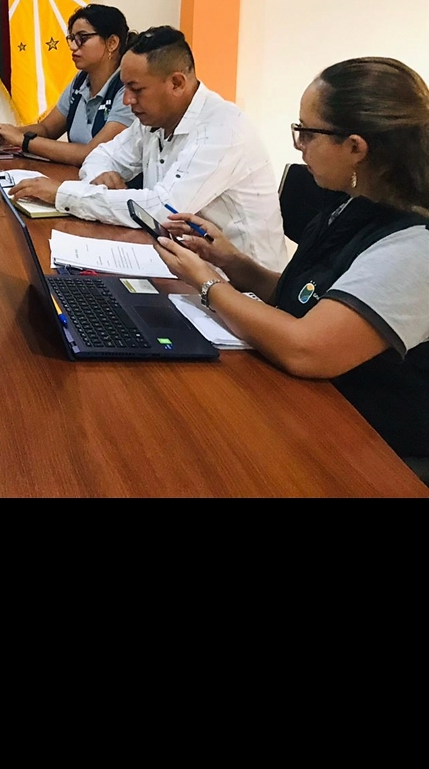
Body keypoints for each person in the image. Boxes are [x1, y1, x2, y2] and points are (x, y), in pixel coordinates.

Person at [157, 58, 429, 474]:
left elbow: (307, 348)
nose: (299, 144)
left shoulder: (413, 246)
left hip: (372, 447)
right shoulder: (352, 201)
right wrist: (232, 262)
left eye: (308, 133)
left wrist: (209, 284)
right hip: (310, 404)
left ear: (356, 147)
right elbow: (308, 297)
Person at [18, 26, 286, 267]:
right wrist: (100, 177)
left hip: (239, 288)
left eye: (136, 89)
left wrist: (64, 194)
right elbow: (100, 155)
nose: (127, 100)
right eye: (125, 88)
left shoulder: (222, 130)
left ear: (177, 83)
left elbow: (163, 210)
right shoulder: (152, 119)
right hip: (176, 261)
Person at [0, 6, 134, 171]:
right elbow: (46, 129)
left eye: (82, 38)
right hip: (80, 178)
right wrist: (7, 134)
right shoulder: (80, 80)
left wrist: (23, 140)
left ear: (112, 43)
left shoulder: (128, 89)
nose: (72, 46)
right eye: (71, 38)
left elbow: (91, 153)